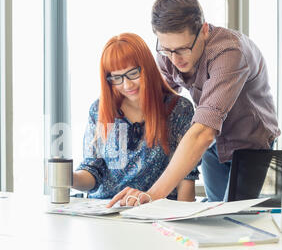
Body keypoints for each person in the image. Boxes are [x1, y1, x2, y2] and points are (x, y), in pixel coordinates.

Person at [108, 0, 280, 207]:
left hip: (250, 144)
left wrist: (153, 194)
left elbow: (203, 132)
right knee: (214, 215)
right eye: (167, 49)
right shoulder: (168, 52)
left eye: (183, 49)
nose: (175, 58)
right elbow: (166, 100)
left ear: (205, 30)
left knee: (236, 218)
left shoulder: (229, 52)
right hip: (214, 145)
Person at [73, 32, 199, 205]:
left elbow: (186, 175)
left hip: (156, 212)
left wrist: (184, 222)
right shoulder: (98, 110)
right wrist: (68, 178)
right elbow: (92, 170)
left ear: (147, 68)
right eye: (117, 78)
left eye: (133, 73)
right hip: (105, 210)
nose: (127, 85)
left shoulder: (179, 109)